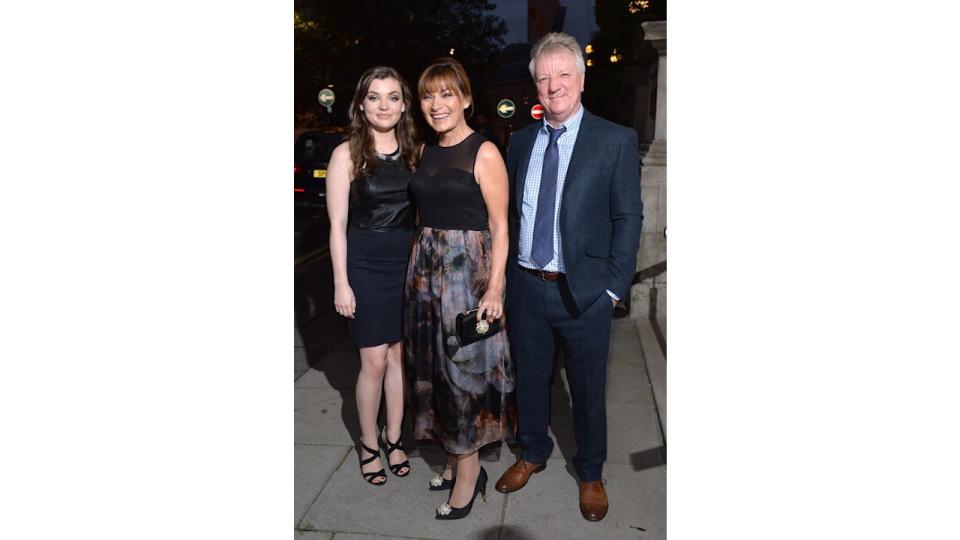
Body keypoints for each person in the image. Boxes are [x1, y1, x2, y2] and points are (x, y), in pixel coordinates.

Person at [494, 32, 643, 522]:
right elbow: (512, 217)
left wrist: (612, 288)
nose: (553, 84)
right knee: (531, 381)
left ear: (581, 79)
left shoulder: (614, 140)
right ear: (534, 84)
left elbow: (628, 217)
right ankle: (532, 452)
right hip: (528, 288)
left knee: (586, 389)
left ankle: (591, 471)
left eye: (562, 74)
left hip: (584, 293)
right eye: (543, 76)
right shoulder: (518, 143)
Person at [404, 57, 516, 520]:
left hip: (467, 279)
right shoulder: (426, 151)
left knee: (462, 375)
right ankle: (453, 461)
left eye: (447, 94)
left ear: (466, 99)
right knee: (432, 369)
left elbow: (500, 225)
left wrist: (494, 288)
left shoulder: (484, 151)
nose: (437, 104)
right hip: (426, 274)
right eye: (429, 95)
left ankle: (469, 477)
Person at [326, 66, 419, 486]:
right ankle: (368, 442)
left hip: (407, 265)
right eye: (375, 97)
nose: (384, 105)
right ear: (361, 104)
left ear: (403, 104)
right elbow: (336, 225)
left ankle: (394, 436)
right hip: (364, 266)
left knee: (400, 356)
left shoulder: (416, 151)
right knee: (374, 360)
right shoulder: (346, 154)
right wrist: (341, 282)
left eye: (393, 97)